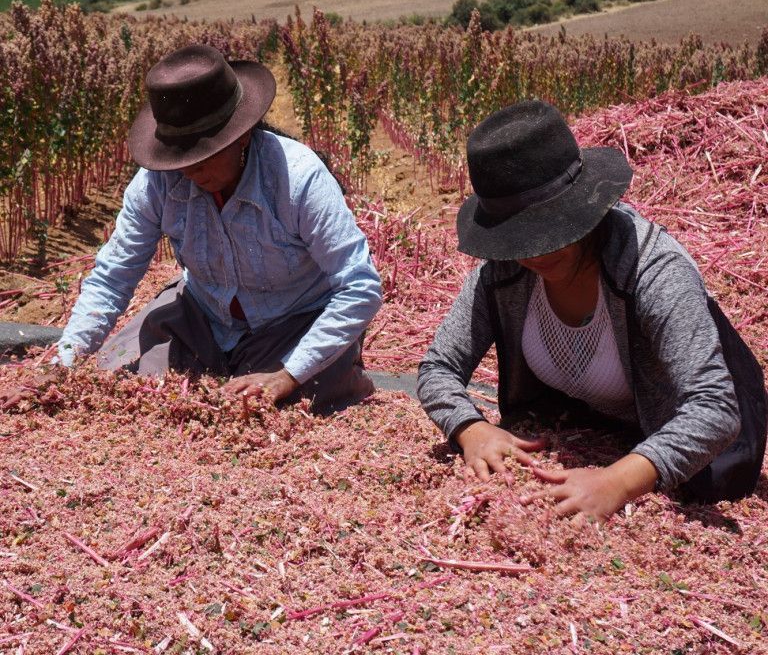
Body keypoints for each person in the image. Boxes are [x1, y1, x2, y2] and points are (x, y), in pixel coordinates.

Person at [417, 100, 767, 521]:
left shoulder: (650, 268)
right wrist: (469, 428)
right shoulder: (503, 274)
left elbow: (714, 407)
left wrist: (617, 482)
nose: (534, 252)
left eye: (550, 231)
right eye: (519, 240)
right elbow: (438, 367)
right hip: (594, 422)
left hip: (684, 441)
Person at [56, 44, 382, 408]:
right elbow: (113, 277)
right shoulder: (157, 182)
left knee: (286, 402)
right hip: (203, 316)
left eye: (201, 156)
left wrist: (287, 375)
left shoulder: (297, 178)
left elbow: (360, 286)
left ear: (240, 136)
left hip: (293, 321)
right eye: (178, 158)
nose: (188, 171)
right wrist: (63, 361)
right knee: (139, 391)